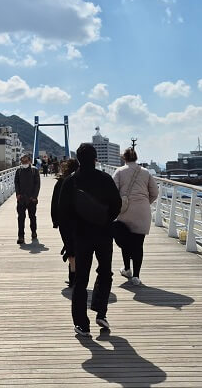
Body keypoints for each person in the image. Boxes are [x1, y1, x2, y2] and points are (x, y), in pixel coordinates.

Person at [58, 143, 121, 337]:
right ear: (95, 159)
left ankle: (82, 324)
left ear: (78, 159)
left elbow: (63, 216)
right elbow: (117, 205)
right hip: (103, 234)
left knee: (81, 280)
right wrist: (105, 219)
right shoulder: (105, 179)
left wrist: (68, 245)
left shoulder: (70, 182)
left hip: (80, 236)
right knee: (105, 272)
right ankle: (101, 312)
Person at [113, 147, 158, 286]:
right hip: (142, 211)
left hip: (125, 211)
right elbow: (155, 192)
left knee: (125, 241)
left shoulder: (119, 172)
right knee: (138, 244)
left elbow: (113, 191)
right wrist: (145, 203)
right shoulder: (146, 172)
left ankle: (127, 269)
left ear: (124, 158)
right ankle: (136, 277)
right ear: (136, 158)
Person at [51, 158, 79, 286]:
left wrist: (55, 221)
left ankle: (72, 274)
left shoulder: (61, 182)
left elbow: (54, 203)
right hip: (80, 220)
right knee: (78, 248)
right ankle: (76, 274)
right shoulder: (82, 180)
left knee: (70, 247)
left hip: (64, 221)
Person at [14, 154, 40, 244]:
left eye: (25, 161)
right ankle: (21, 236)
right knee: (21, 218)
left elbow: (37, 184)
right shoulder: (18, 171)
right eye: (22, 161)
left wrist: (34, 196)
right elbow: (16, 183)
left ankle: (34, 232)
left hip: (32, 198)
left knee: (32, 217)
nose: (24, 163)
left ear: (29, 161)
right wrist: (17, 194)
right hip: (21, 198)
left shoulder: (35, 171)